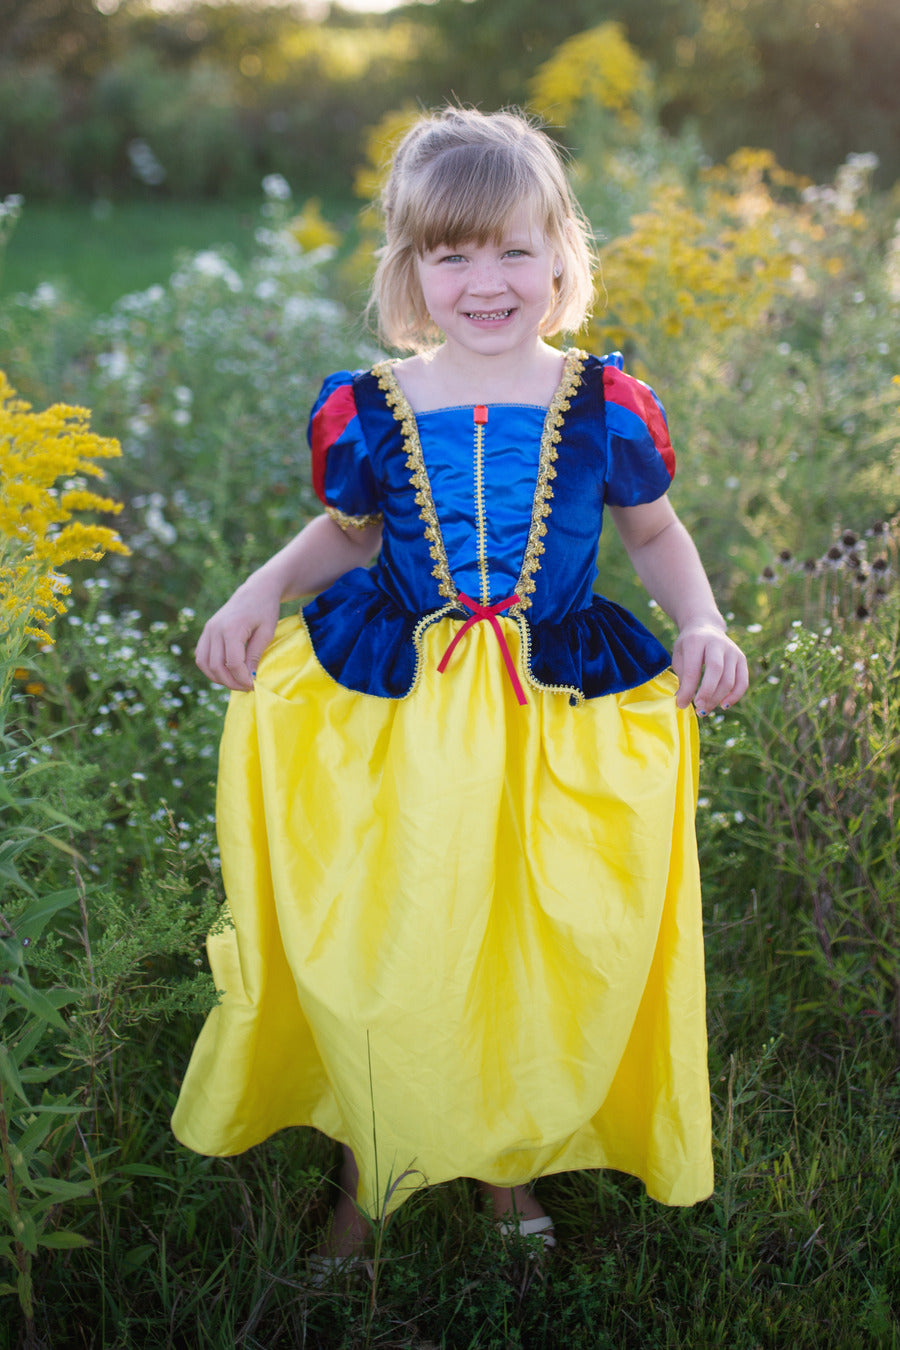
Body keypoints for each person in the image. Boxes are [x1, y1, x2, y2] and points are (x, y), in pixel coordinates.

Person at [171, 106, 748, 1271]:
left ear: (560, 256)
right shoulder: (377, 404)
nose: (487, 282)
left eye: (513, 251)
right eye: (452, 254)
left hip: (550, 716)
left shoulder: (603, 403)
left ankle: (508, 1165)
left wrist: (702, 618)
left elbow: (653, 529)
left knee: (526, 943)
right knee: (399, 940)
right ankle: (366, 1181)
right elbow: (347, 530)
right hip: (404, 717)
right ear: (409, 267)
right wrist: (257, 591)